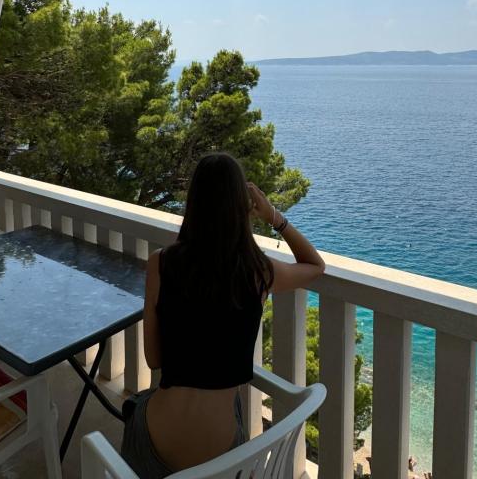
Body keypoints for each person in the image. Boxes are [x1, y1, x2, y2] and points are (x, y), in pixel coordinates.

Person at [121, 152, 325, 478]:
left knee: (135, 405)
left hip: (156, 441)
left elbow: (154, 358)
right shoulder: (258, 271)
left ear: (193, 202)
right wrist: (274, 216)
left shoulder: (161, 263)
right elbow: (315, 265)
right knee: (233, 404)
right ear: (241, 206)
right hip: (224, 456)